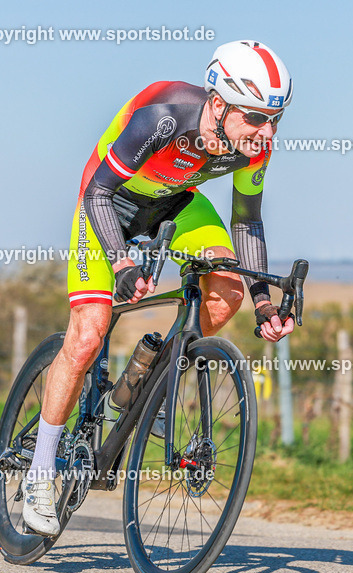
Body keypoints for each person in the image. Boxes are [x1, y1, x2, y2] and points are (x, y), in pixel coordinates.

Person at [22, 40, 296, 535]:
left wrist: (261, 300)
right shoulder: (163, 118)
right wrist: (123, 262)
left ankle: (154, 383)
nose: (267, 131)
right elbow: (97, 192)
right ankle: (41, 472)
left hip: (176, 201)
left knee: (227, 290)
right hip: (109, 202)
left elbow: (247, 224)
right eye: (256, 118)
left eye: (276, 118)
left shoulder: (257, 148)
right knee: (88, 334)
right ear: (218, 104)